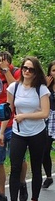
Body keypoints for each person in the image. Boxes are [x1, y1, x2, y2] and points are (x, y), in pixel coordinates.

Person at [1, 56, 50, 201]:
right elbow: (7, 112)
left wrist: (25, 116)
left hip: (37, 132)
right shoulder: (14, 87)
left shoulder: (41, 89)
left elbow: (44, 113)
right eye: (25, 68)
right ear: (21, 69)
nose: (27, 71)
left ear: (36, 72)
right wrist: (1, 132)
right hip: (18, 131)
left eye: (31, 69)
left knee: (36, 166)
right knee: (15, 166)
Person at [0, 50, 25, 201]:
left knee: (19, 158)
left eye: (6, 62)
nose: (2, 64)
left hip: (16, 122)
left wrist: (7, 71)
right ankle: (2, 195)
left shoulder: (17, 73)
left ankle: (22, 183)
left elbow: (15, 89)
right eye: (0, 61)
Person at [44, 60, 55, 188]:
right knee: (44, 150)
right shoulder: (45, 87)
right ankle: (48, 176)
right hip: (48, 118)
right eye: (53, 70)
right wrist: (45, 86)